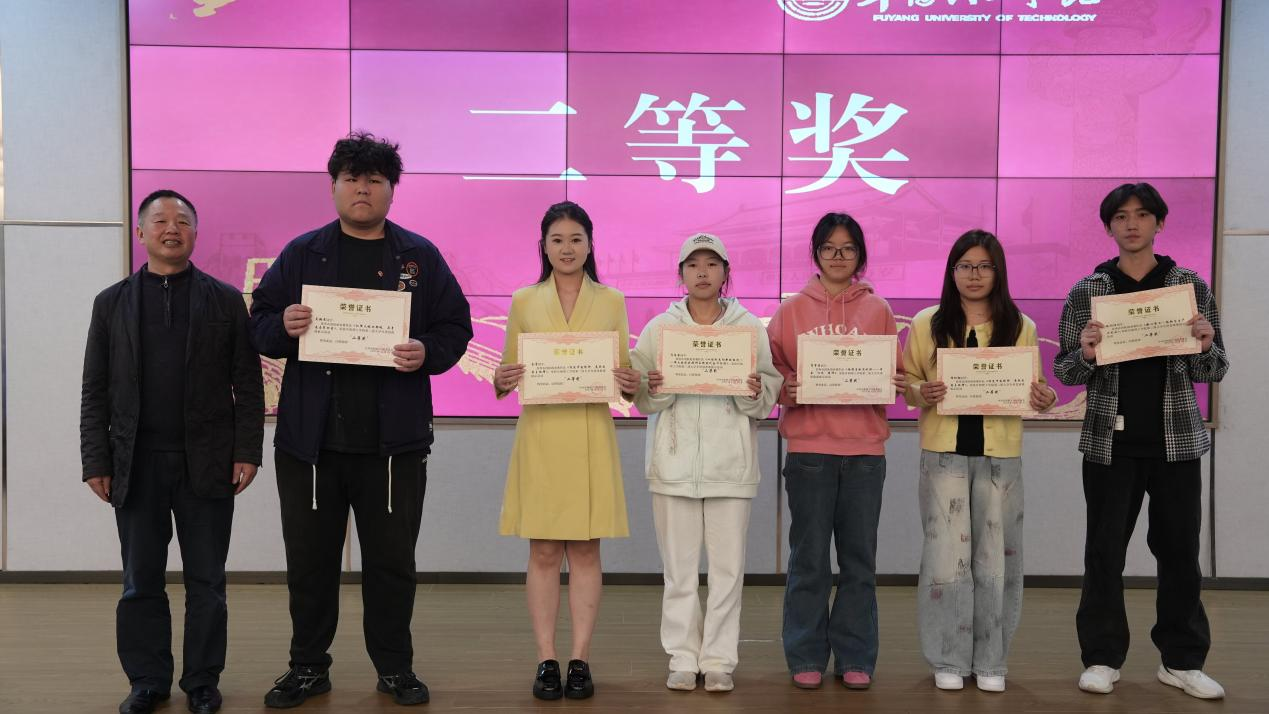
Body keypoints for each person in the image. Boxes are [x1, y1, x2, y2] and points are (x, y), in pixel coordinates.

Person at [248, 132, 473, 707]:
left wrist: (426, 351)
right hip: (311, 444)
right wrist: (285, 327)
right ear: (334, 187)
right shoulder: (302, 253)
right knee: (310, 564)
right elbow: (259, 324)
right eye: (352, 178)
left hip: (393, 445)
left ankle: (395, 668)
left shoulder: (419, 257)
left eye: (375, 180)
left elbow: (455, 327)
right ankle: (307, 667)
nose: (363, 189)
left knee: (392, 564)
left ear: (392, 190)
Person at [80, 189, 264, 714]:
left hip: (207, 461)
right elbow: (95, 388)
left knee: (208, 581)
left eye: (182, 221)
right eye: (159, 221)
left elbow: (247, 384)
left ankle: (202, 680)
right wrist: (96, 460)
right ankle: (147, 680)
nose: (171, 229)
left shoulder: (224, 300)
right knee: (140, 581)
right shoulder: (111, 302)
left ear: (195, 234)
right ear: (141, 233)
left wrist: (247, 449)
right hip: (135, 463)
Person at [1055, 183, 1228, 700]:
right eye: (1121, 217)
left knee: (1180, 554)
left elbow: (1215, 368)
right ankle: (1102, 658)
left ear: (1159, 223)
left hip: (1176, 443)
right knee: (1103, 554)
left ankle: (1182, 661)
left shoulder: (1187, 285)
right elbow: (1064, 370)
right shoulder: (1088, 290)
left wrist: (1204, 343)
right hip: (1109, 444)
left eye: (1143, 215)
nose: (1132, 224)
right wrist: (1086, 353)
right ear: (1108, 226)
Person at [492, 201, 639, 701]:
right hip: (542, 434)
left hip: (590, 432)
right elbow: (506, 375)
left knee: (586, 549)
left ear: (590, 244)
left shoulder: (612, 300)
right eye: (557, 240)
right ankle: (545, 659)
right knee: (543, 550)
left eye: (576, 239)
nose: (567, 248)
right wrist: (502, 377)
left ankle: (580, 659)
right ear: (544, 246)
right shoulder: (524, 300)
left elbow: (624, 374)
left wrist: (629, 381)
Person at [902, 229, 1057, 693]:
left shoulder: (1020, 325)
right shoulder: (927, 323)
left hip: (1000, 457)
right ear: (952, 271)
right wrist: (922, 391)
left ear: (998, 272)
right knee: (945, 559)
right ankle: (947, 657)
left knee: (997, 559)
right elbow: (908, 381)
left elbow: (1035, 387)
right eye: (965, 266)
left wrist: (1045, 397)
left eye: (984, 266)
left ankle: (992, 660)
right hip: (943, 453)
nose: (974, 275)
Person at [631, 233, 782, 693]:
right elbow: (640, 395)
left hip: (730, 467)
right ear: (681, 274)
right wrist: (654, 386)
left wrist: (754, 391)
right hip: (673, 467)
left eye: (712, 264)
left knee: (727, 573)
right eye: (693, 264)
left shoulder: (748, 327)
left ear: (725, 272)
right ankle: (681, 657)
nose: (702, 272)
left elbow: (768, 391)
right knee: (678, 573)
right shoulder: (660, 329)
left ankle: (718, 660)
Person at [767, 212, 905, 690]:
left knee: (859, 561)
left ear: (860, 255)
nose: (838, 256)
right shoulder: (790, 311)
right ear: (816, 253)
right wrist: (786, 387)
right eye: (829, 248)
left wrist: (892, 380)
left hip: (865, 452)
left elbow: (895, 375)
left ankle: (855, 656)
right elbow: (770, 373)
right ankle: (805, 653)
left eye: (847, 248)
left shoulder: (879, 310)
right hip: (809, 451)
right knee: (808, 560)